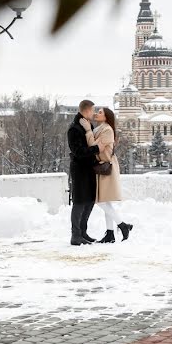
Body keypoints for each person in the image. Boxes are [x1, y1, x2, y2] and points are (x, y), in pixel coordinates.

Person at [85, 107, 133, 243]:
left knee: (99, 200)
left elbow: (93, 145)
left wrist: (87, 130)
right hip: (101, 167)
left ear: (106, 117)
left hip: (106, 167)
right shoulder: (100, 129)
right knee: (105, 201)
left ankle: (123, 225)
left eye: (100, 112)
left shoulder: (107, 130)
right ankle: (110, 234)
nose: (96, 114)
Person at [68, 99, 100, 246]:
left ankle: (83, 232)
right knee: (80, 201)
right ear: (86, 111)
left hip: (89, 169)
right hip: (80, 170)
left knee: (89, 200)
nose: (94, 113)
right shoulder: (74, 128)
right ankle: (75, 235)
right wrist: (96, 149)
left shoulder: (88, 126)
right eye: (93, 110)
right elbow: (78, 152)